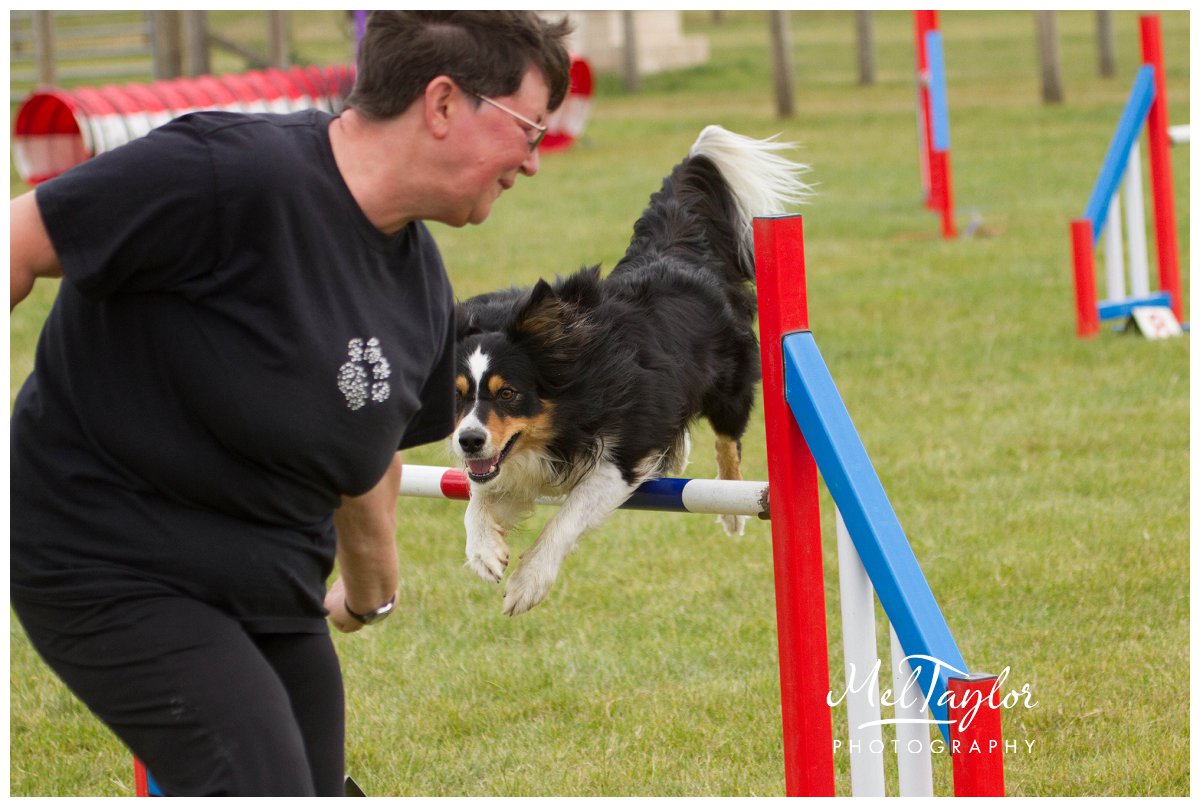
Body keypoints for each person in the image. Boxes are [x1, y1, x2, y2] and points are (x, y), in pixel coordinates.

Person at [9, 11, 571, 796]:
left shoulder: (420, 294)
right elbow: (16, 243)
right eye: (530, 129)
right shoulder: (226, 173)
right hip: (107, 555)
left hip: (269, 587)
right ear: (443, 104)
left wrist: (370, 595)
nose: (535, 161)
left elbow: (364, 460)